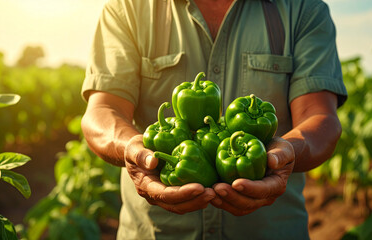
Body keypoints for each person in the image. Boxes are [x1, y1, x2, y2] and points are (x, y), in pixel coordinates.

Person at [80, 0, 347, 239]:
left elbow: (321, 117)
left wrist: (287, 152)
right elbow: (102, 111)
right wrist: (130, 147)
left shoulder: (302, 9)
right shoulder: (128, 8)